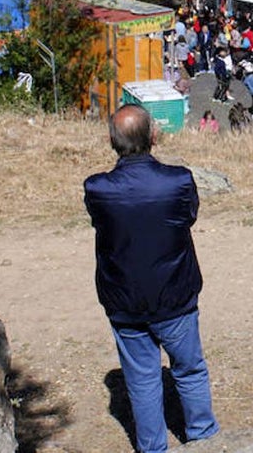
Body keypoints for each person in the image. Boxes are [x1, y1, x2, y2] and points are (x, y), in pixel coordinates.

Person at [84, 105, 220, 451]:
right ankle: (202, 438)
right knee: (189, 370)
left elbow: (100, 224)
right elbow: (188, 216)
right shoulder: (178, 181)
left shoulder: (98, 188)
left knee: (141, 379)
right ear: (153, 136)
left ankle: (152, 447)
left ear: (111, 141)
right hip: (175, 293)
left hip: (124, 298)